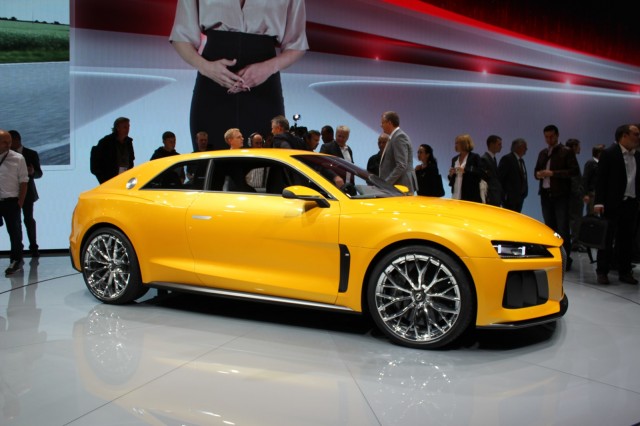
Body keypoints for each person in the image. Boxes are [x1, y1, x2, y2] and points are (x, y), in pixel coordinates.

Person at [169, 0, 308, 152]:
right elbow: (181, 36)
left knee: (266, 160)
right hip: (212, 85)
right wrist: (206, 67)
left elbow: (297, 44)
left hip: (264, 88)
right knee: (209, 160)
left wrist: (269, 67)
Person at [593, 124, 640, 285]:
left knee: (627, 240)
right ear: (624, 136)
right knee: (607, 239)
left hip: (631, 203)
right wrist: (599, 202)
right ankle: (602, 271)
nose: (638, 137)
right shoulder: (609, 153)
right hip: (612, 203)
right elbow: (601, 180)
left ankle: (625, 271)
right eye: (635, 134)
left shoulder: (637, 156)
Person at [534, 125, 580, 270]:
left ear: (557, 135)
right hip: (545, 194)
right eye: (546, 137)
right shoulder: (543, 153)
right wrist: (538, 174)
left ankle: (565, 259)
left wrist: (553, 173)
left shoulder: (566, 151)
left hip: (561, 195)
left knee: (562, 229)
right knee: (549, 228)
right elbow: (536, 171)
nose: (549, 139)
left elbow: (574, 171)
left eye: (551, 136)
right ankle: (553, 258)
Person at [9, 130, 42, 257]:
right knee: (15, 222)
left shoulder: (31, 154)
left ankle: (34, 247)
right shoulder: (6, 155)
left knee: (28, 220)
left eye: (9, 141)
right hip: (11, 193)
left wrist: (32, 172)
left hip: (28, 193)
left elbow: (39, 174)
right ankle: (18, 249)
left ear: (17, 140)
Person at [0, 130, 29, 275]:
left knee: (15, 233)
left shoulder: (18, 158)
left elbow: (24, 182)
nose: (8, 145)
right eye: (4, 142)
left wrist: (20, 203)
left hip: (11, 202)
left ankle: (16, 260)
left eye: (9, 142)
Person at [379, 111, 416, 193]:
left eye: (382, 122)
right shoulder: (395, 137)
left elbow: (401, 165)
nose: (381, 125)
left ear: (389, 123)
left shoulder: (399, 137)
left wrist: (386, 183)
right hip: (397, 186)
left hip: (400, 186)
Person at [92, 117, 135, 184]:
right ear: (118, 128)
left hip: (125, 180)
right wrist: (104, 180)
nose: (128, 129)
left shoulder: (129, 142)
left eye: (128, 127)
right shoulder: (106, 142)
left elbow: (131, 160)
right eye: (125, 127)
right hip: (109, 181)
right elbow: (96, 164)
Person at [448, 134, 483, 202]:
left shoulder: (474, 157)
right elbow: (452, 179)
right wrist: (451, 175)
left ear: (464, 144)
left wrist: (465, 170)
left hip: (470, 194)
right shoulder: (454, 159)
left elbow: (480, 172)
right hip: (456, 193)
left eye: (457, 143)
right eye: (455, 143)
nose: (455, 145)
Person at [498, 138, 529, 213]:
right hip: (509, 199)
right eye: (524, 147)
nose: (526, 149)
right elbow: (500, 178)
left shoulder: (521, 161)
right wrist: (504, 196)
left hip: (519, 198)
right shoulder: (507, 159)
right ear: (518, 147)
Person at [565, 138, 585, 251]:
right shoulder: (570, 160)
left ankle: (574, 242)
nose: (580, 148)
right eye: (578, 146)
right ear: (573, 147)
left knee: (574, 219)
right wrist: (578, 192)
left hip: (573, 195)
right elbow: (573, 178)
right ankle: (575, 243)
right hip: (574, 196)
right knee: (576, 219)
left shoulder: (569, 159)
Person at [479, 135, 503, 206]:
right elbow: (484, 179)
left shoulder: (493, 159)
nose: (501, 147)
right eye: (499, 144)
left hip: (494, 195)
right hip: (490, 196)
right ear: (492, 144)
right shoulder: (484, 159)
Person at [582, 144, 605, 215]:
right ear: (599, 153)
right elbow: (585, 178)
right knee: (592, 214)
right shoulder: (590, 163)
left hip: (599, 193)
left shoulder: (601, 163)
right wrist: (585, 194)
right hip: (592, 193)